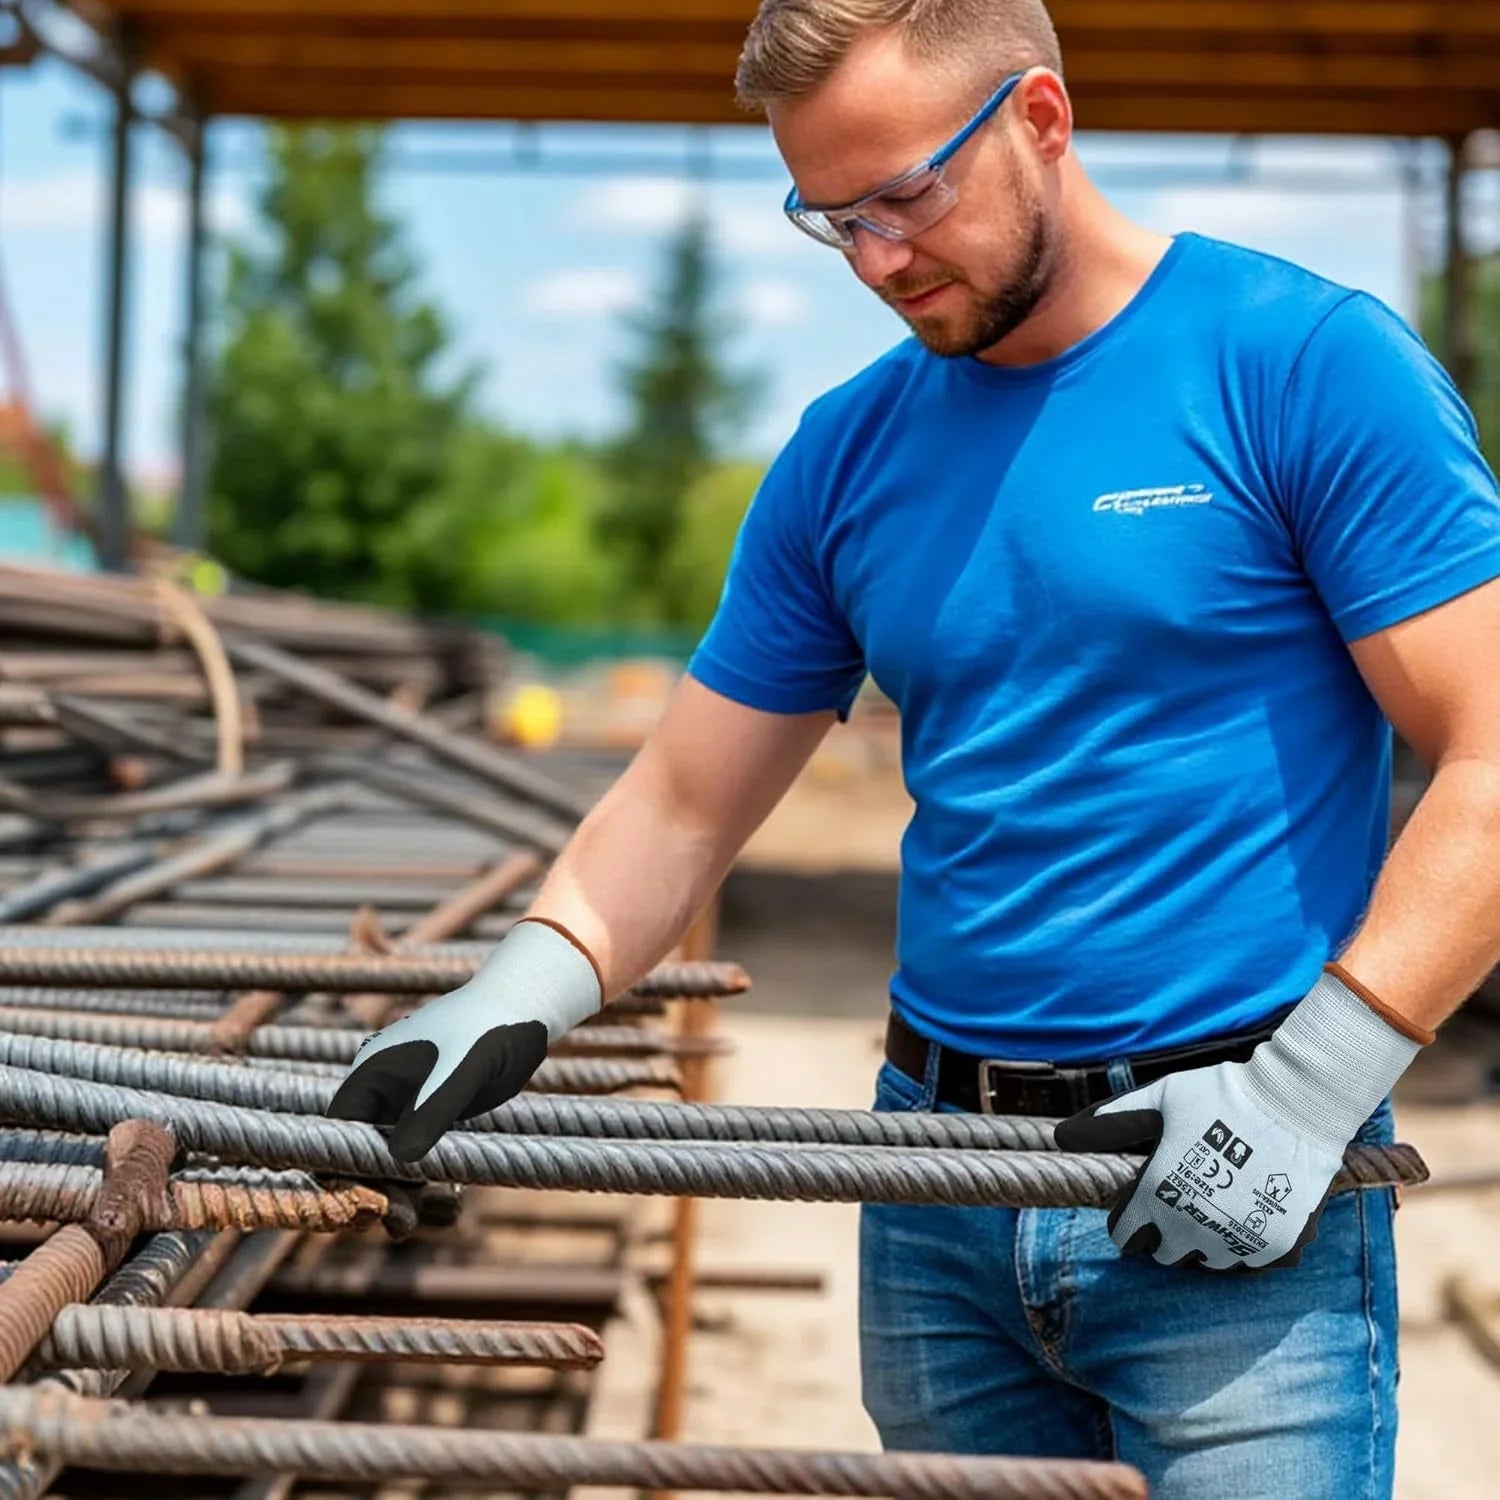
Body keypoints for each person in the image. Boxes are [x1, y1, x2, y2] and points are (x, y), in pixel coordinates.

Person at [328, 2, 1500, 1495]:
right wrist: (514, 989)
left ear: (1041, 120)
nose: (876, 260)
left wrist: (1309, 1091)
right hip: (933, 1183)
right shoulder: (846, 452)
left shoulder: (1298, 365)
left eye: (905, 197)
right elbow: (685, 801)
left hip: (1239, 1179)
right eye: (832, 219)